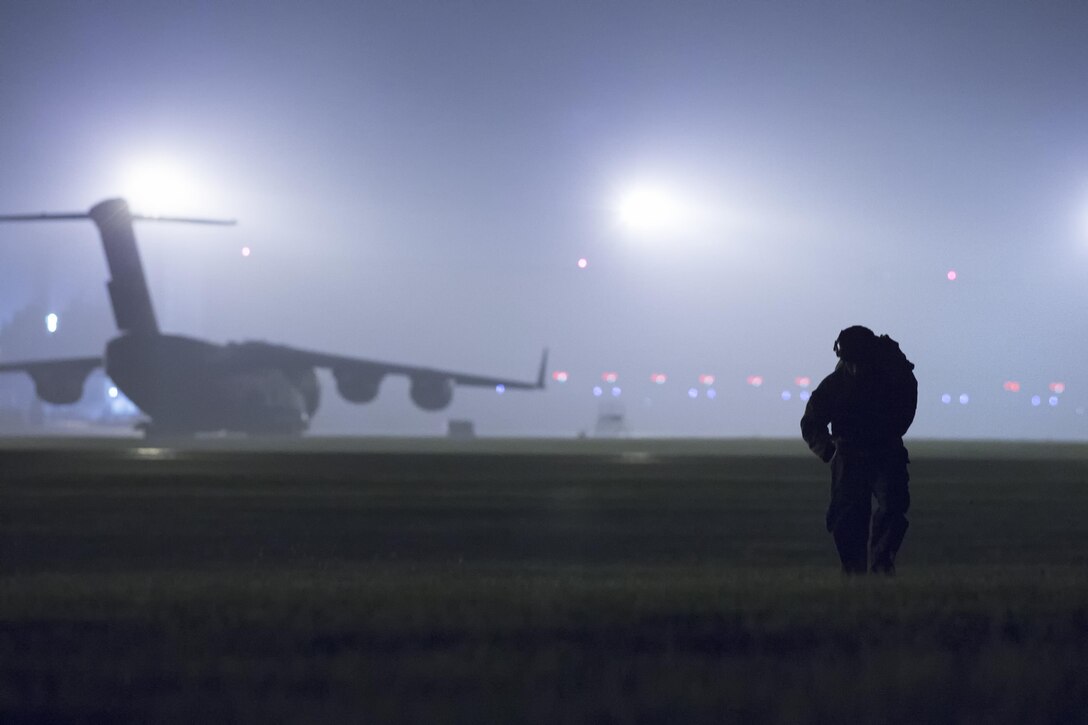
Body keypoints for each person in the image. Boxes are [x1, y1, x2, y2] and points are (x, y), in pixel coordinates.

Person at [800, 326, 917, 574]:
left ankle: (881, 564)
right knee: (846, 516)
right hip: (850, 454)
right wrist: (828, 448)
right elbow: (811, 422)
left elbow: (906, 405)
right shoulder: (836, 384)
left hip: (885, 452)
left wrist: (889, 434)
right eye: (849, 362)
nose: (854, 368)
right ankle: (854, 572)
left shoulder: (892, 377)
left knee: (892, 507)